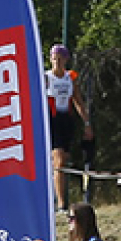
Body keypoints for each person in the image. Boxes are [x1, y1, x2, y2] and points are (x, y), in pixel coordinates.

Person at [42, 43, 86, 209]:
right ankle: (61, 204)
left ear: (66, 60)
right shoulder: (46, 78)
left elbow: (78, 101)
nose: (58, 62)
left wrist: (87, 123)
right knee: (59, 160)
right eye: (55, 59)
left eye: (61, 59)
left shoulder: (70, 78)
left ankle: (58, 196)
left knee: (64, 162)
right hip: (52, 119)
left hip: (66, 120)